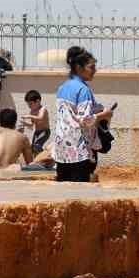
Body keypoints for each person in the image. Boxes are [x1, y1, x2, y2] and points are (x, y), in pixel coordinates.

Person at [51, 47, 115, 183]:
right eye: (91, 67)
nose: (95, 70)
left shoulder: (62, 88)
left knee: (62, 192)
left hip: (61, 149)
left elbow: (70, 114)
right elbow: (85, 121)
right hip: (79, 150)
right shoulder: (83, 90)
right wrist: (104, 115)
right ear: (79, 67)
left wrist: (97, 109)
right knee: (79, 193)